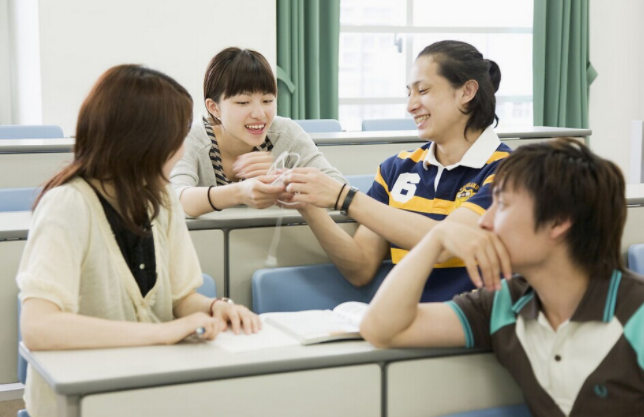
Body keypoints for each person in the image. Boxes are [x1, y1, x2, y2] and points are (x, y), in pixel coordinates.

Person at [17, 65, 260, 417]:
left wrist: (213, 308)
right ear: (142, 143)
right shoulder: (68, 204)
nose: (181, 151)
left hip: (147, 390)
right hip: (81, 401)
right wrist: (165, 333)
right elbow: (39, 328)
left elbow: (180, 298)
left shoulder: (162, 200)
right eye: (175, 140)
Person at [360, 138, 644, 417]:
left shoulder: (637, 313)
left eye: (503, 205)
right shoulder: (504, 304)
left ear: (557, 221)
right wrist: (437, 237)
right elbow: (382, 328)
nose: (484, 221)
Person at [282, 40, 509, 301]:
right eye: (409, 93)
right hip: (403, 325)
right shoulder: (396, 169)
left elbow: (447, 242)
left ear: (466, 91)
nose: (410, 106)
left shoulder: (509, 172)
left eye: (423, 90)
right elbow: (361, 267)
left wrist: (344, 197)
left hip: (473, 331)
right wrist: (308, 205)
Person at [170, 47, 346, 217]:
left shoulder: (285, 134)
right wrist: (238, 192)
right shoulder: (191, 139)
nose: (259, 114)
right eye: (243, 102)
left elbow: (339, 188)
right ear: (214, 108)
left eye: (267, 100)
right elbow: (174, 199)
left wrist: (283, 179)